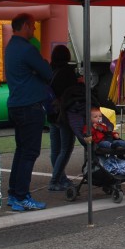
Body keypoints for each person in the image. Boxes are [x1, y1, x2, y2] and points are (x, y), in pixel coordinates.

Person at [4, 13, 52, 212]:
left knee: (21, 150)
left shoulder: (11, 47)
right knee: (29, 152)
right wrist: (38, 71)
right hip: (30, 105)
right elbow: (47, 73)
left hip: (16, 104)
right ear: (24, 26)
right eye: (32, 26)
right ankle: (22, 195)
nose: (33, 30)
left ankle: (14, 193)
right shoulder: (27, 49)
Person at [48, 44, 78, 191]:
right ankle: (55, 180)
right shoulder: (68, 72)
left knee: (55, 149)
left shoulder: (50, 69)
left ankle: (60, 178)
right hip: (65, 114)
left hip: (52, 113)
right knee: (66, 148)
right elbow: (73, 92)